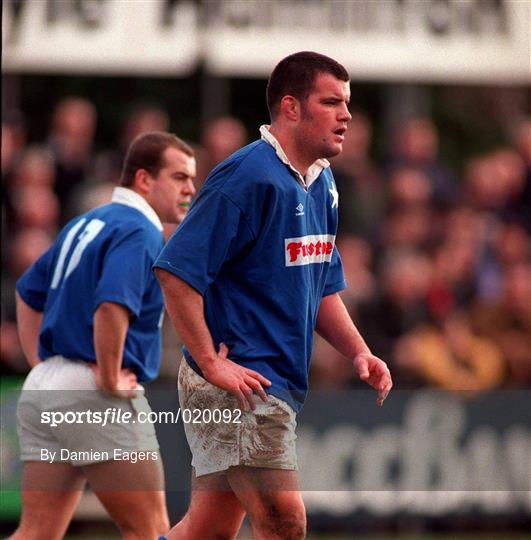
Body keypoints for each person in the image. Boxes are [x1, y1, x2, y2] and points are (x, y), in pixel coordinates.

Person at [154, 52, 393, 540]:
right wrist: (210, 361)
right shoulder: (247, 175)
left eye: (347, 102)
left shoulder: (322, 181)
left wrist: (358, 351)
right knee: (285, 521)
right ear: (290, 107)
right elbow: (176, 272)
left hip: (267, 382)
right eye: (331, 102)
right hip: (243, 382)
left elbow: (321, 282)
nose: (347, 114)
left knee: (207, 531)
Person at [11, 131, 196, 540]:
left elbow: (27, 291)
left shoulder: (86, 221)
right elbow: (111, 305)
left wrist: (42, 363)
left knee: (35, 533)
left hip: (45, 386)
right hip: (96, 391)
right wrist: (110, 377)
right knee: (149, 531)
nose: (190, 189)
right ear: (145, 180)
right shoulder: (140, 230)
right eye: (180, 177)